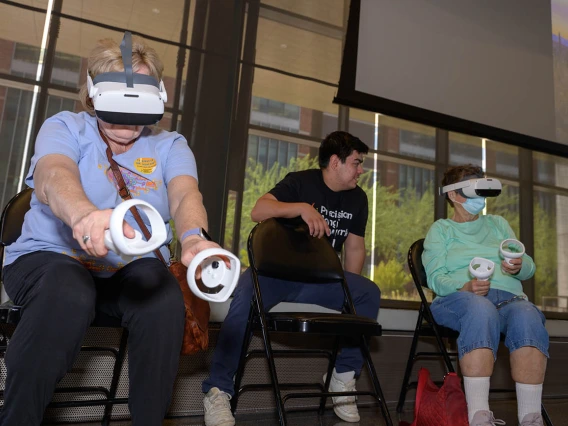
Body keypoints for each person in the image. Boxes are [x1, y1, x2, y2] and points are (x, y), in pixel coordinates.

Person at [0, 34, 221, 425]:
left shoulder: (169, 145)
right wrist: (84, 214)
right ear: (93, 92)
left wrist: (193, 239)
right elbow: (54, 174)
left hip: (125, 270)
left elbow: (186, 194)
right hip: (51, 258)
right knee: (70, 289)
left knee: (162, 296)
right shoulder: (65, 126)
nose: (126, 120)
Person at [201, 131, 381, 425]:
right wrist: (300, 208)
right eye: (357, 163)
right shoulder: (301, 181)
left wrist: (346, 293)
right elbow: (258, 210)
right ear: (335, 162)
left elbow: (355, 247)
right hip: (275, 275)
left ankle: (342, 376)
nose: (361, 170)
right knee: (245, 298)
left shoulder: (358, 198)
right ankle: (219, 390)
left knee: (367, 293)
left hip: (320, 281)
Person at [422, 164, 549, 426]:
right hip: (457, 300)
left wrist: (517, 265)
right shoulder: (442, 229)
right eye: (473, 189)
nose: (480, 197)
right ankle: (478, 415)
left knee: (528, 315)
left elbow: (528, 267)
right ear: (453, 195)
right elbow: (435, 278)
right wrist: (464, 286)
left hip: (509, 300)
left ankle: (531, 417)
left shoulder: (498, 224)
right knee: (481, 310)